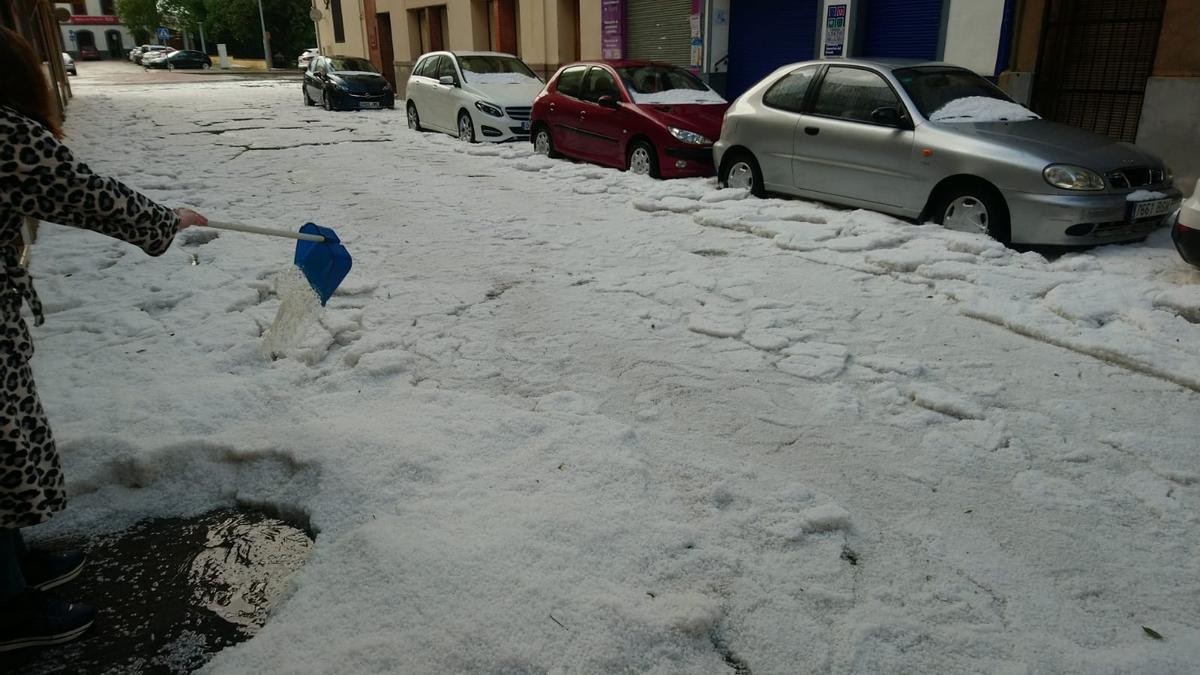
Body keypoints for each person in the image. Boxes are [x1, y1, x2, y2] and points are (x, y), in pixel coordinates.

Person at [0, 26, 207, 651]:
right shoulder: (8, 133)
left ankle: (12, 566)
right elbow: (87, 195)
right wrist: (164, 220)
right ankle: (7, 610)